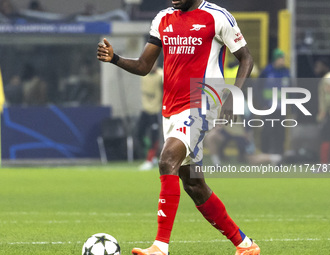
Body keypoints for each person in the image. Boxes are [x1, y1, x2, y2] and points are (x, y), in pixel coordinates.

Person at [97, 0, 259, 254]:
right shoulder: (162, 18)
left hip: (202, 103)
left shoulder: (217, 17)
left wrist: (234, 97)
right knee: (194, 185)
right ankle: (244, 244)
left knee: (167, 160)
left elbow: (246, 58)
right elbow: (143, 66)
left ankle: (160, 246)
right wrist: (115, 58)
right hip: (171, 109)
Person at [258, 48, 290, 155]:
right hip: (268, 107)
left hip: (281, 108)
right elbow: (258, 88)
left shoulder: (286, 72)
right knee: (267, 130)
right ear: (275, 59)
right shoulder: (267, 71)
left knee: (280, 132)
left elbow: (291, 89)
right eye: (281, 58)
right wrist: (262, 103)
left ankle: (279, 155)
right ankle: (265, 153)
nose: (283, 60)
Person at [314, 58, 330, 164]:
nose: (316, 69)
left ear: (324, 67)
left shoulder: (328, 79)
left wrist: (322, 113)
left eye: (318, 66)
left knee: (325, 137)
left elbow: (328, 98)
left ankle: (324, 164)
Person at [138, 62, 163, 171]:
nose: (153, 65)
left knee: (154, 136)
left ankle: (150, 159)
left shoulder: (161, 75)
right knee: (138, 134)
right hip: (145, 110)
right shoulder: (143, 74)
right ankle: (152, 155)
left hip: (155, 111)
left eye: (154, 63)